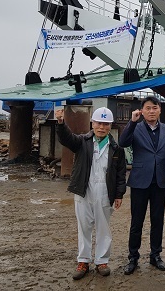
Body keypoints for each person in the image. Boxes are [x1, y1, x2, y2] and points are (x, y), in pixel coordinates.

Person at [55, 107, 126, 280]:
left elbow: (120, 174)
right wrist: (60, 123)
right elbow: (66, 139)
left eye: (105, 124)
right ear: (92, 124)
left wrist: (119, 194)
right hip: (84, 189)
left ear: (110, 126)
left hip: (105, 191)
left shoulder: (116, 148)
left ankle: (102, 261)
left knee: (103, 228)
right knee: (84, 227)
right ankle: (83, 261)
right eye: (98, 123)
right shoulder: (82, 142)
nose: (102, 127)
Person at [119, 96, 165, 275]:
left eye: (155, 108)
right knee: (137, 222)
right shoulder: (135, 127)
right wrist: (131, 122)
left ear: (160, 110)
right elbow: (123, 143)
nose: (151, 111)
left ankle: (155, 255)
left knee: (157, 221)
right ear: (142, 111)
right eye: (148, 108)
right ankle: (133, 257)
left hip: (159, 181)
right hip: (139, 181)